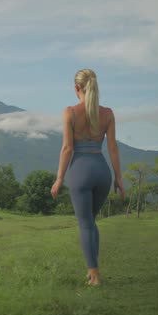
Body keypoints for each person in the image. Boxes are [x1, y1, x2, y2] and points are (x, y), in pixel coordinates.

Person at [50, 68, 125, 286]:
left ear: (77, 88)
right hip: (102, 171)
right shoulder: (108, 114)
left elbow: (67, 149)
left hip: (80, 171)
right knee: (91, 221)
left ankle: (94, 274)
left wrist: (59, 178)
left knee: (84, 223)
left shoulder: (70, 113)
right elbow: (112, 148)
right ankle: (93, 269)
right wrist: (119, 178)